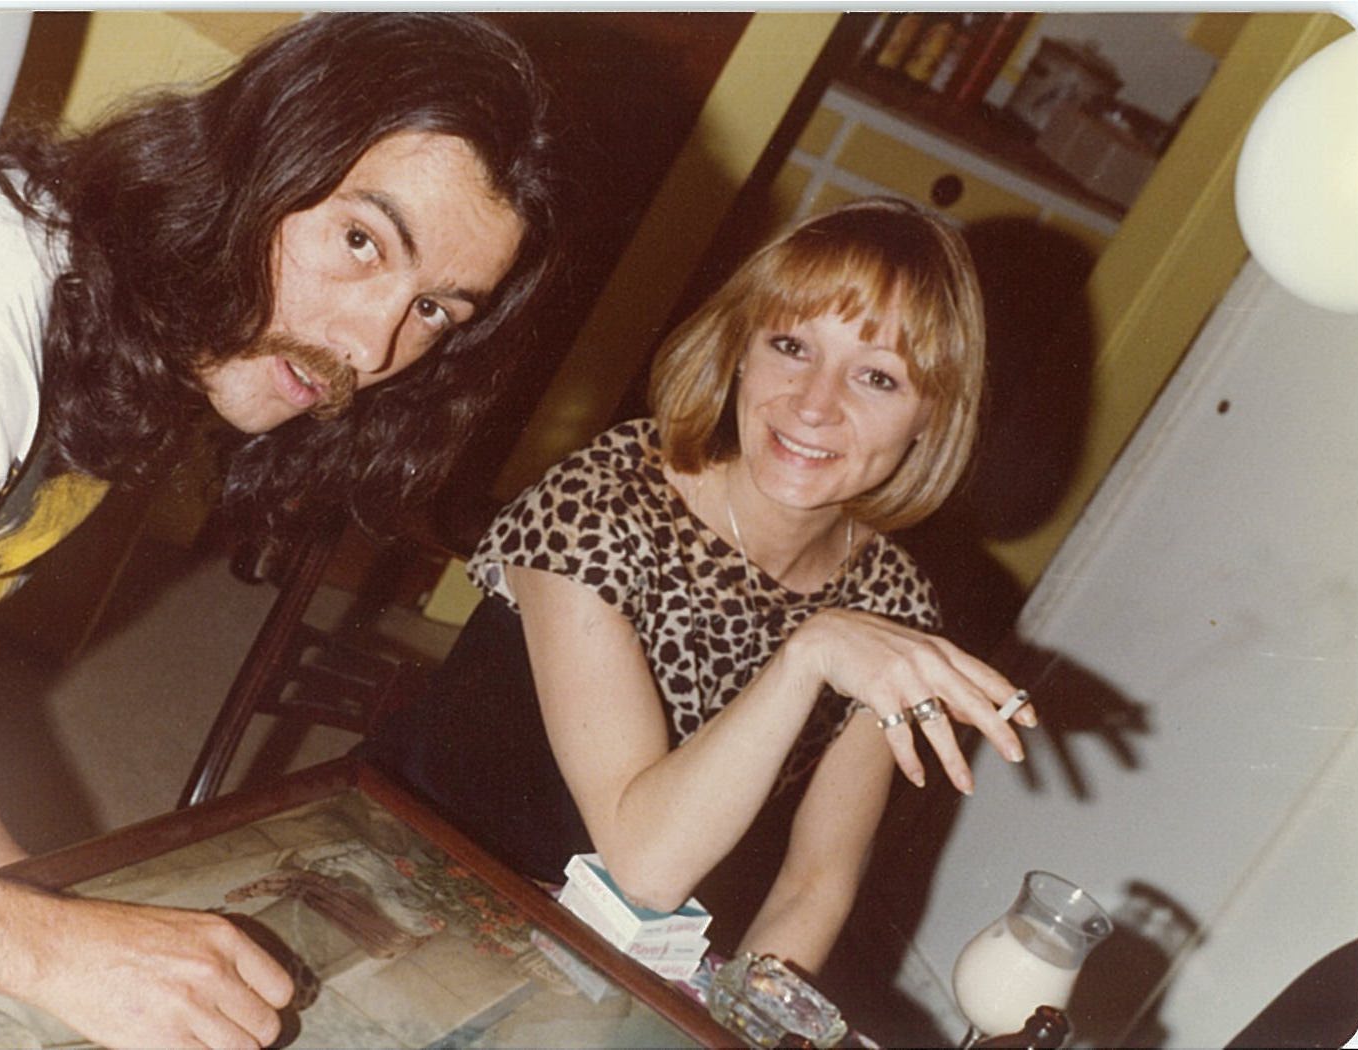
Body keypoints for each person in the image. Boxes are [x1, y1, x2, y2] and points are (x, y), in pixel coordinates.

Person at [0, 13, 561, 1048]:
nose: (370, 345)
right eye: (360, 240)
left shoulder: (129, 341)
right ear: (259, 154)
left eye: (435, 310)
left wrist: (27, 888)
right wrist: (32, 943)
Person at [361, 196, 1037, 974]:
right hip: (409, 871)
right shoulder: (607, 500)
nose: (814, 404)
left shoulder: (891, 599)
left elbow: (815, 884)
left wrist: (751, 1021)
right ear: (740, 351)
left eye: (877, 378)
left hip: (604, 955)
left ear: (930, 417)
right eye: (790, 345)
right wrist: (809, 652)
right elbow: (644, 867)